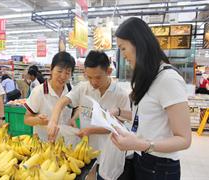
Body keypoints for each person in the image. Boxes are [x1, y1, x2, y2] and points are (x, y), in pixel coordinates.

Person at [110, 17, 191, 180]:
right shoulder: (148, 77)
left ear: (138, 44)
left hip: (161, 166)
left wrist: (142, 144)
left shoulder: (168, 79)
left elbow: (184, 139)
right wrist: (118, 112)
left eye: (123, 48)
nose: (123, 55)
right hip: (143, 158)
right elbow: (149, 117)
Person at [47, 50, 130, 179]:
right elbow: (62, 102)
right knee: (87, 175)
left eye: (97, 77)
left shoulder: (120, 95)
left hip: (110, 150)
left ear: (108, 72)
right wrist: (53, 121)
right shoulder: (83, 88)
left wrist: (90, 130)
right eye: (89, 77)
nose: (93, 82)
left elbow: (119, 126)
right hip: (86, 150)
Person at [24, 51, 76, 141]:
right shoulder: (39, 92)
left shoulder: (71, 90)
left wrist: (73, 119)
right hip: (44, 146)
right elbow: (26, 119)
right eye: (59, 71)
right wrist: (39, 121)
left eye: (67, 73)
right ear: (51, 70)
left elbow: (77, 108)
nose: (63, 76)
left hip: (66, 145)